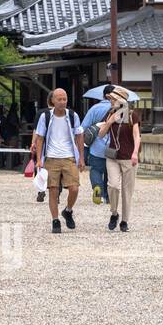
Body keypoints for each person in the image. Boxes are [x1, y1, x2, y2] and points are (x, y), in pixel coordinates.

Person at [30, 88, 85, 234]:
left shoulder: (72, 116)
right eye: (59, 99)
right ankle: (55, 220)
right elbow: (40, 137)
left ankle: (68, 210)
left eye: (64, 99)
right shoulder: (45, 116)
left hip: (69, 157)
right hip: (51, 157)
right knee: (53, 190)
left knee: (74, 188)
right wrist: (39, 160)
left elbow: (79, 136)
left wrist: (81, 158)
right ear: (52, 101)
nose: (62, 102)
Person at [103, 89, 140, 233]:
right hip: (113, 156)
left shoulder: (132, 115)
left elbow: (137, 136)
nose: (111, 102)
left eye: (113, 99)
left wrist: (135, 153)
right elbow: (101, 134)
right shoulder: (110, 114)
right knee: (113, 185)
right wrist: (109, 122)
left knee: (127, 191)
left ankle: (124, 221)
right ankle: (114, 213)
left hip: (129, 157)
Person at [80, 88, 115, 207]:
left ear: (104, 95)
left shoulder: (94, 109)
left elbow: (83, 127)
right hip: (113, 147)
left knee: (96, 169)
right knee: (110, 172)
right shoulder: (119, 110)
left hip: (97, 147)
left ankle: (97, 188)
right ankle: (108, 197)